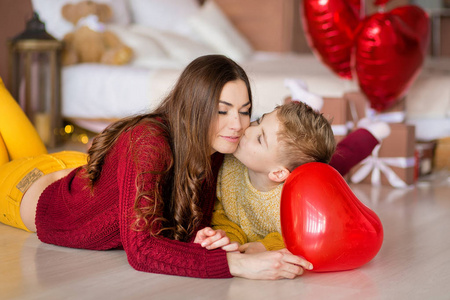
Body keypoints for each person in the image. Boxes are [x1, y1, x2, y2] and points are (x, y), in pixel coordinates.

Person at [0, 55, 312, 280]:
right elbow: (142, 249)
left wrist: (212, 241)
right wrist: (237, 265)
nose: (238, 125)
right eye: (222, 111)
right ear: (194, 107)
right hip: (28, 189)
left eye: (245, 112)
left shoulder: (216, 145)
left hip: (82, 172)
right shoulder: (148, 141)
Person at [212, 100, 390, 254]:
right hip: (285, 159)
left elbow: (294, 238)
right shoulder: (230, 160)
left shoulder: (289, 205)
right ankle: (302, 101)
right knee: (290, 135)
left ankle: (369, 134)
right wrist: (229, 237)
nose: (247, 129)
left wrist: (263, 246)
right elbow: (221, 210)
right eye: (258, 121)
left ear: (278, 173)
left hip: (310, 180)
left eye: (259, 139)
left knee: (339, 161)